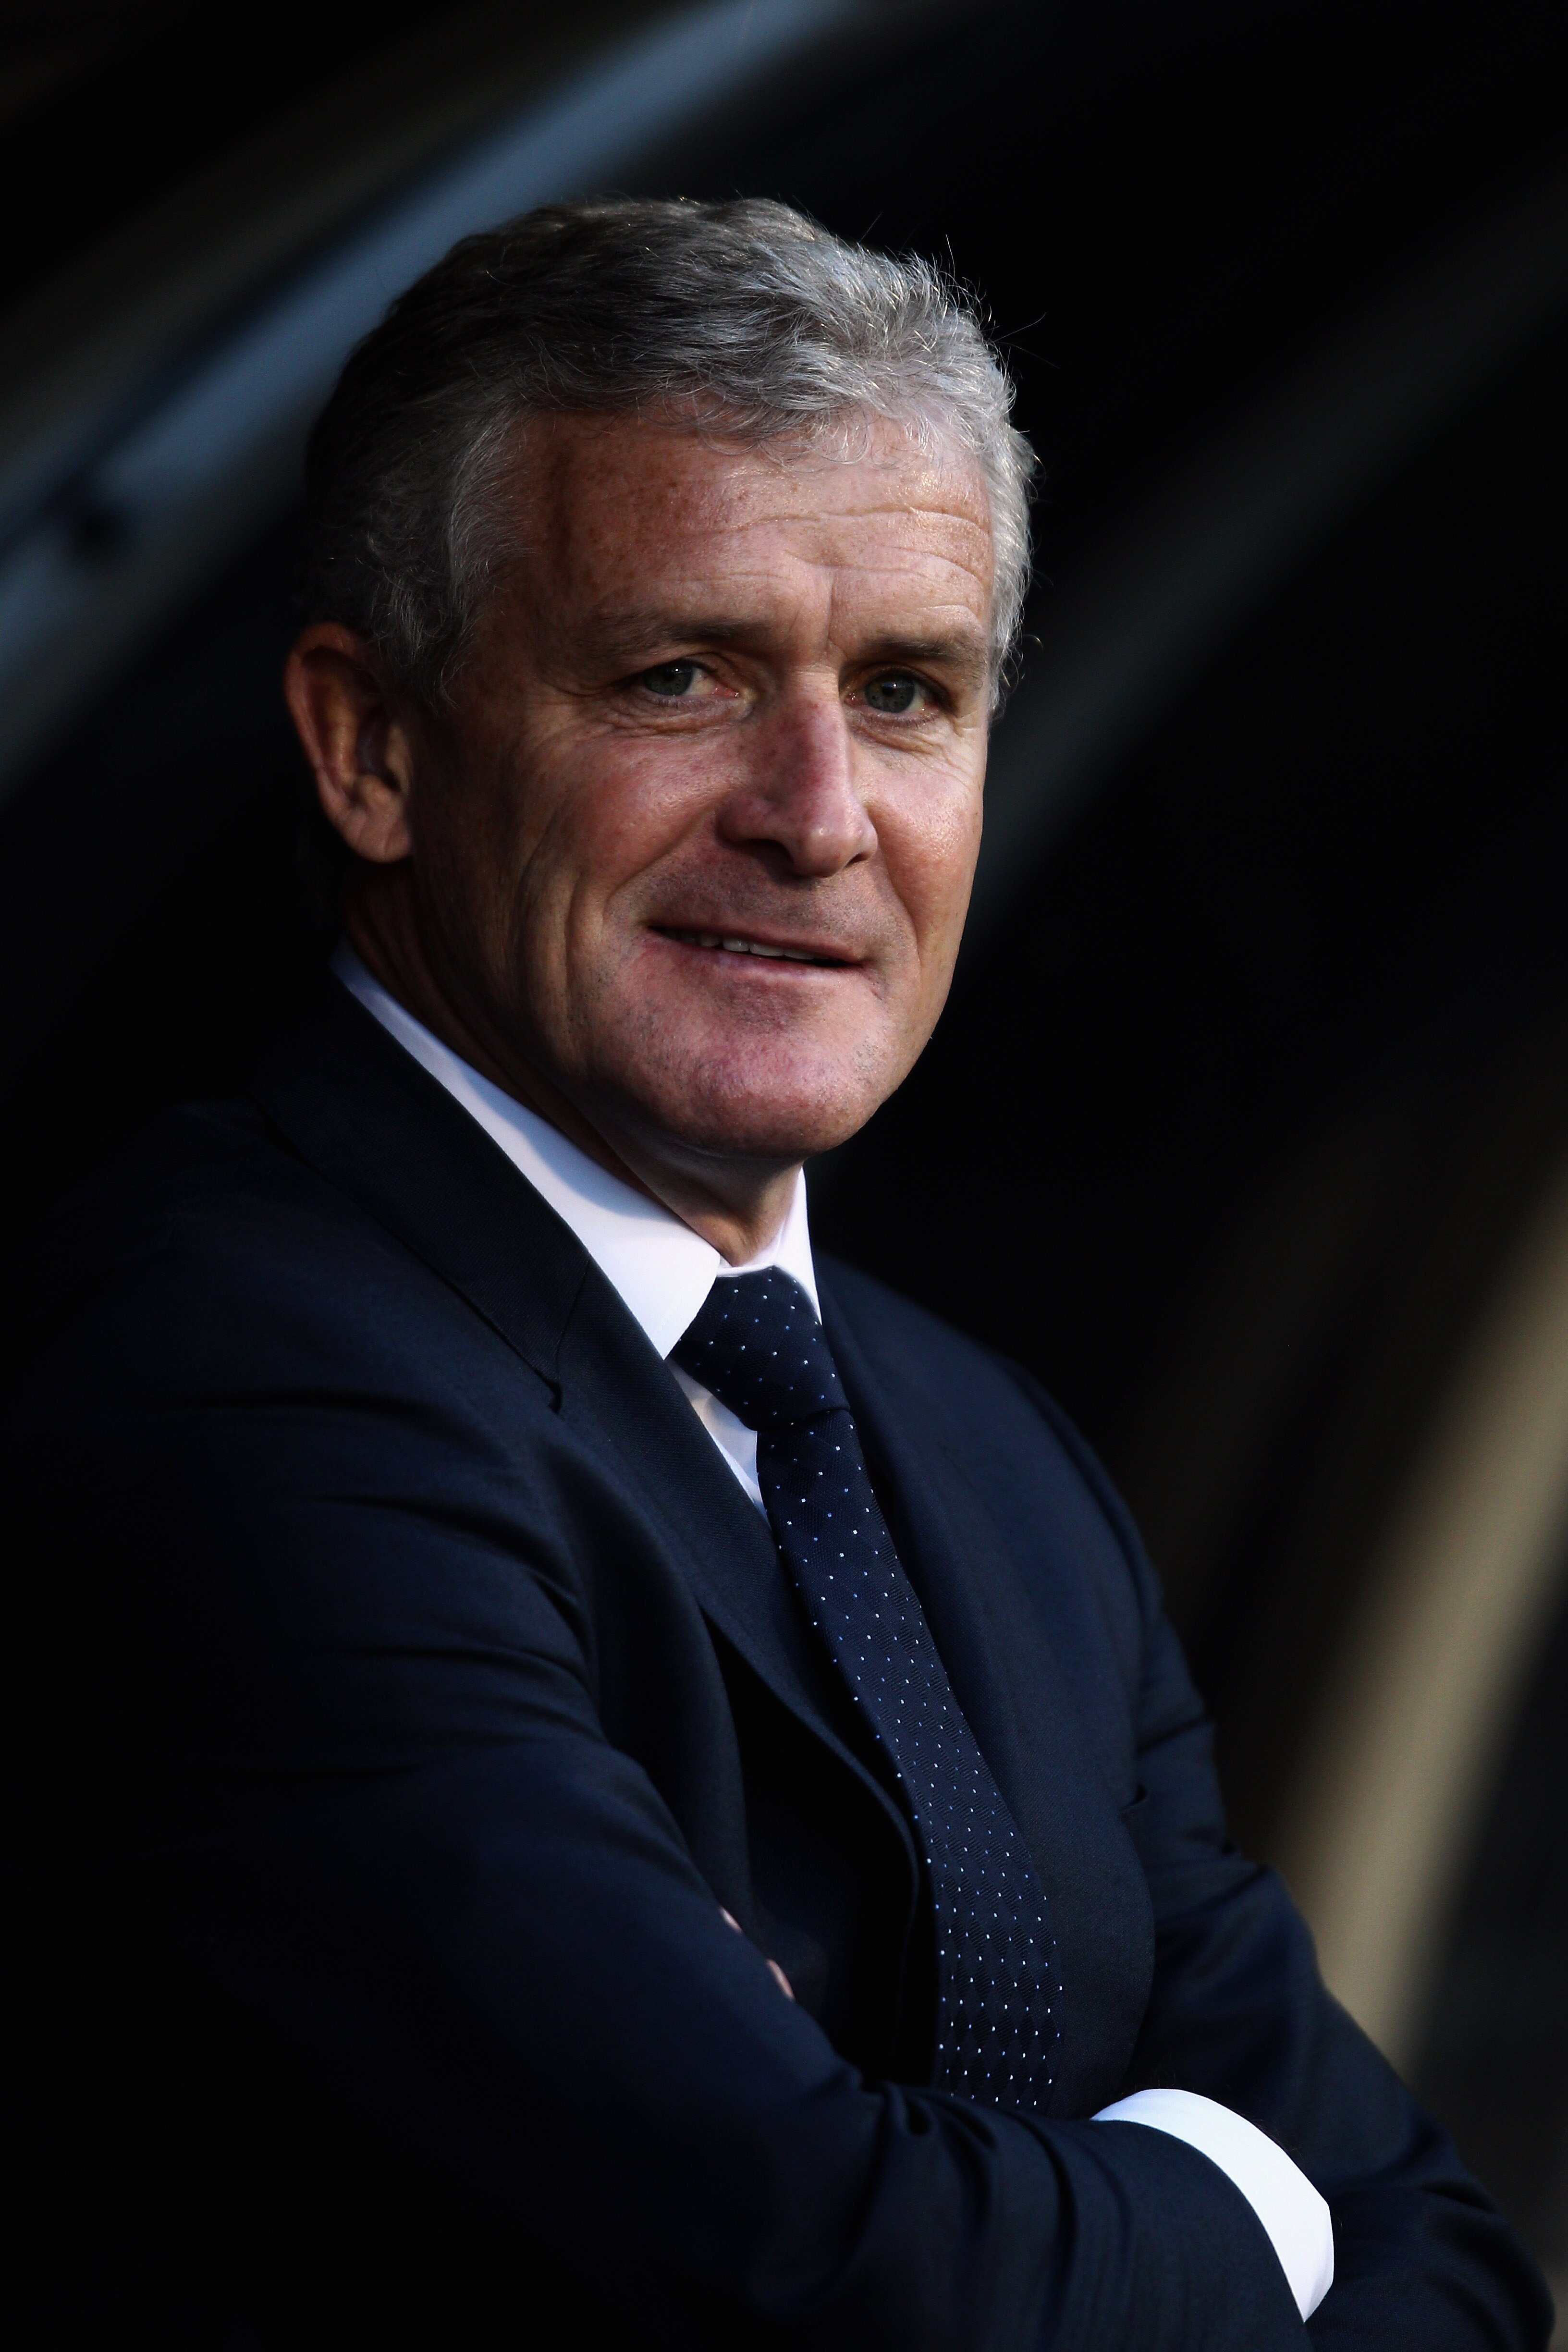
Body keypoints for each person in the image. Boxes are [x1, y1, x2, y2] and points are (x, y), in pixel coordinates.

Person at [12, 197, 1550, 2349]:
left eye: (907, 693)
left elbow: (1454, 2270)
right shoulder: (229, 1385)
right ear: (372, 748)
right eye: (682, 677)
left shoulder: (992, 1459)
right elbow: (830, 2276)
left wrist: (998, 2199)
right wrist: (1249, 2208)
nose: (819, 816)